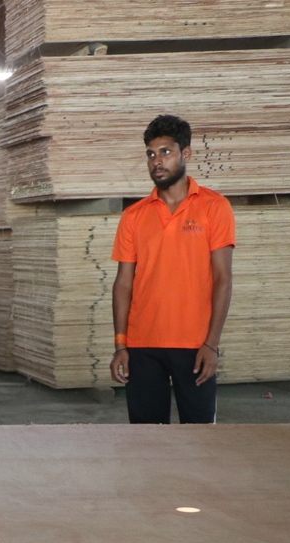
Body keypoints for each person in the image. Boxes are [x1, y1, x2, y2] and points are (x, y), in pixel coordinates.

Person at [111, 114, 235, 424]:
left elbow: (222, 278)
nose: (157, 161)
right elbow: (123, 283)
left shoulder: (214, 207)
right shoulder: (134, 216)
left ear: (186, 154)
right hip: (142, 346)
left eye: (166, 151)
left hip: (194, 346)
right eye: (151, 154)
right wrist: (120, 344)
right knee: (146, 441)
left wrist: (212, 344)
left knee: (200, 439)